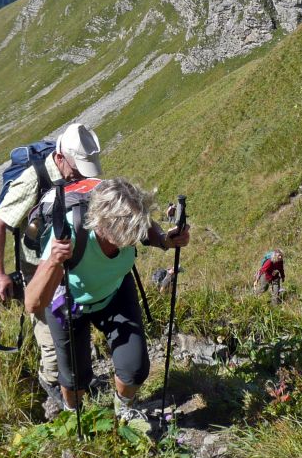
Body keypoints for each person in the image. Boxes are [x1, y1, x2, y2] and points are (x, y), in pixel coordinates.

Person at [25, 178, 190, 421]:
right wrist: (53, 261)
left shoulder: (128, 223)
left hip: (115, 292)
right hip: (70, 303)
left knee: (134, 368)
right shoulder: (69, 234)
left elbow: (146, 228)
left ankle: (122, 409)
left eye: (137, 227)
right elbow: (32, 303)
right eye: (130, 231)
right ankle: (75, 414)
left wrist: (166, 240)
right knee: (74, 381)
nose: (135, 236)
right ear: (103, 225)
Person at [0, 123, 102, 405]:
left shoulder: (72, 168)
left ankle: (73, 380)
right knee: (51, 336)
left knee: (73, 322)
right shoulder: (33, 180)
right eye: (77, 169)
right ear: (61, 158)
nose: (80, 176)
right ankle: (53, 386)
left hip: (67, 260)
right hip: (37, 267)